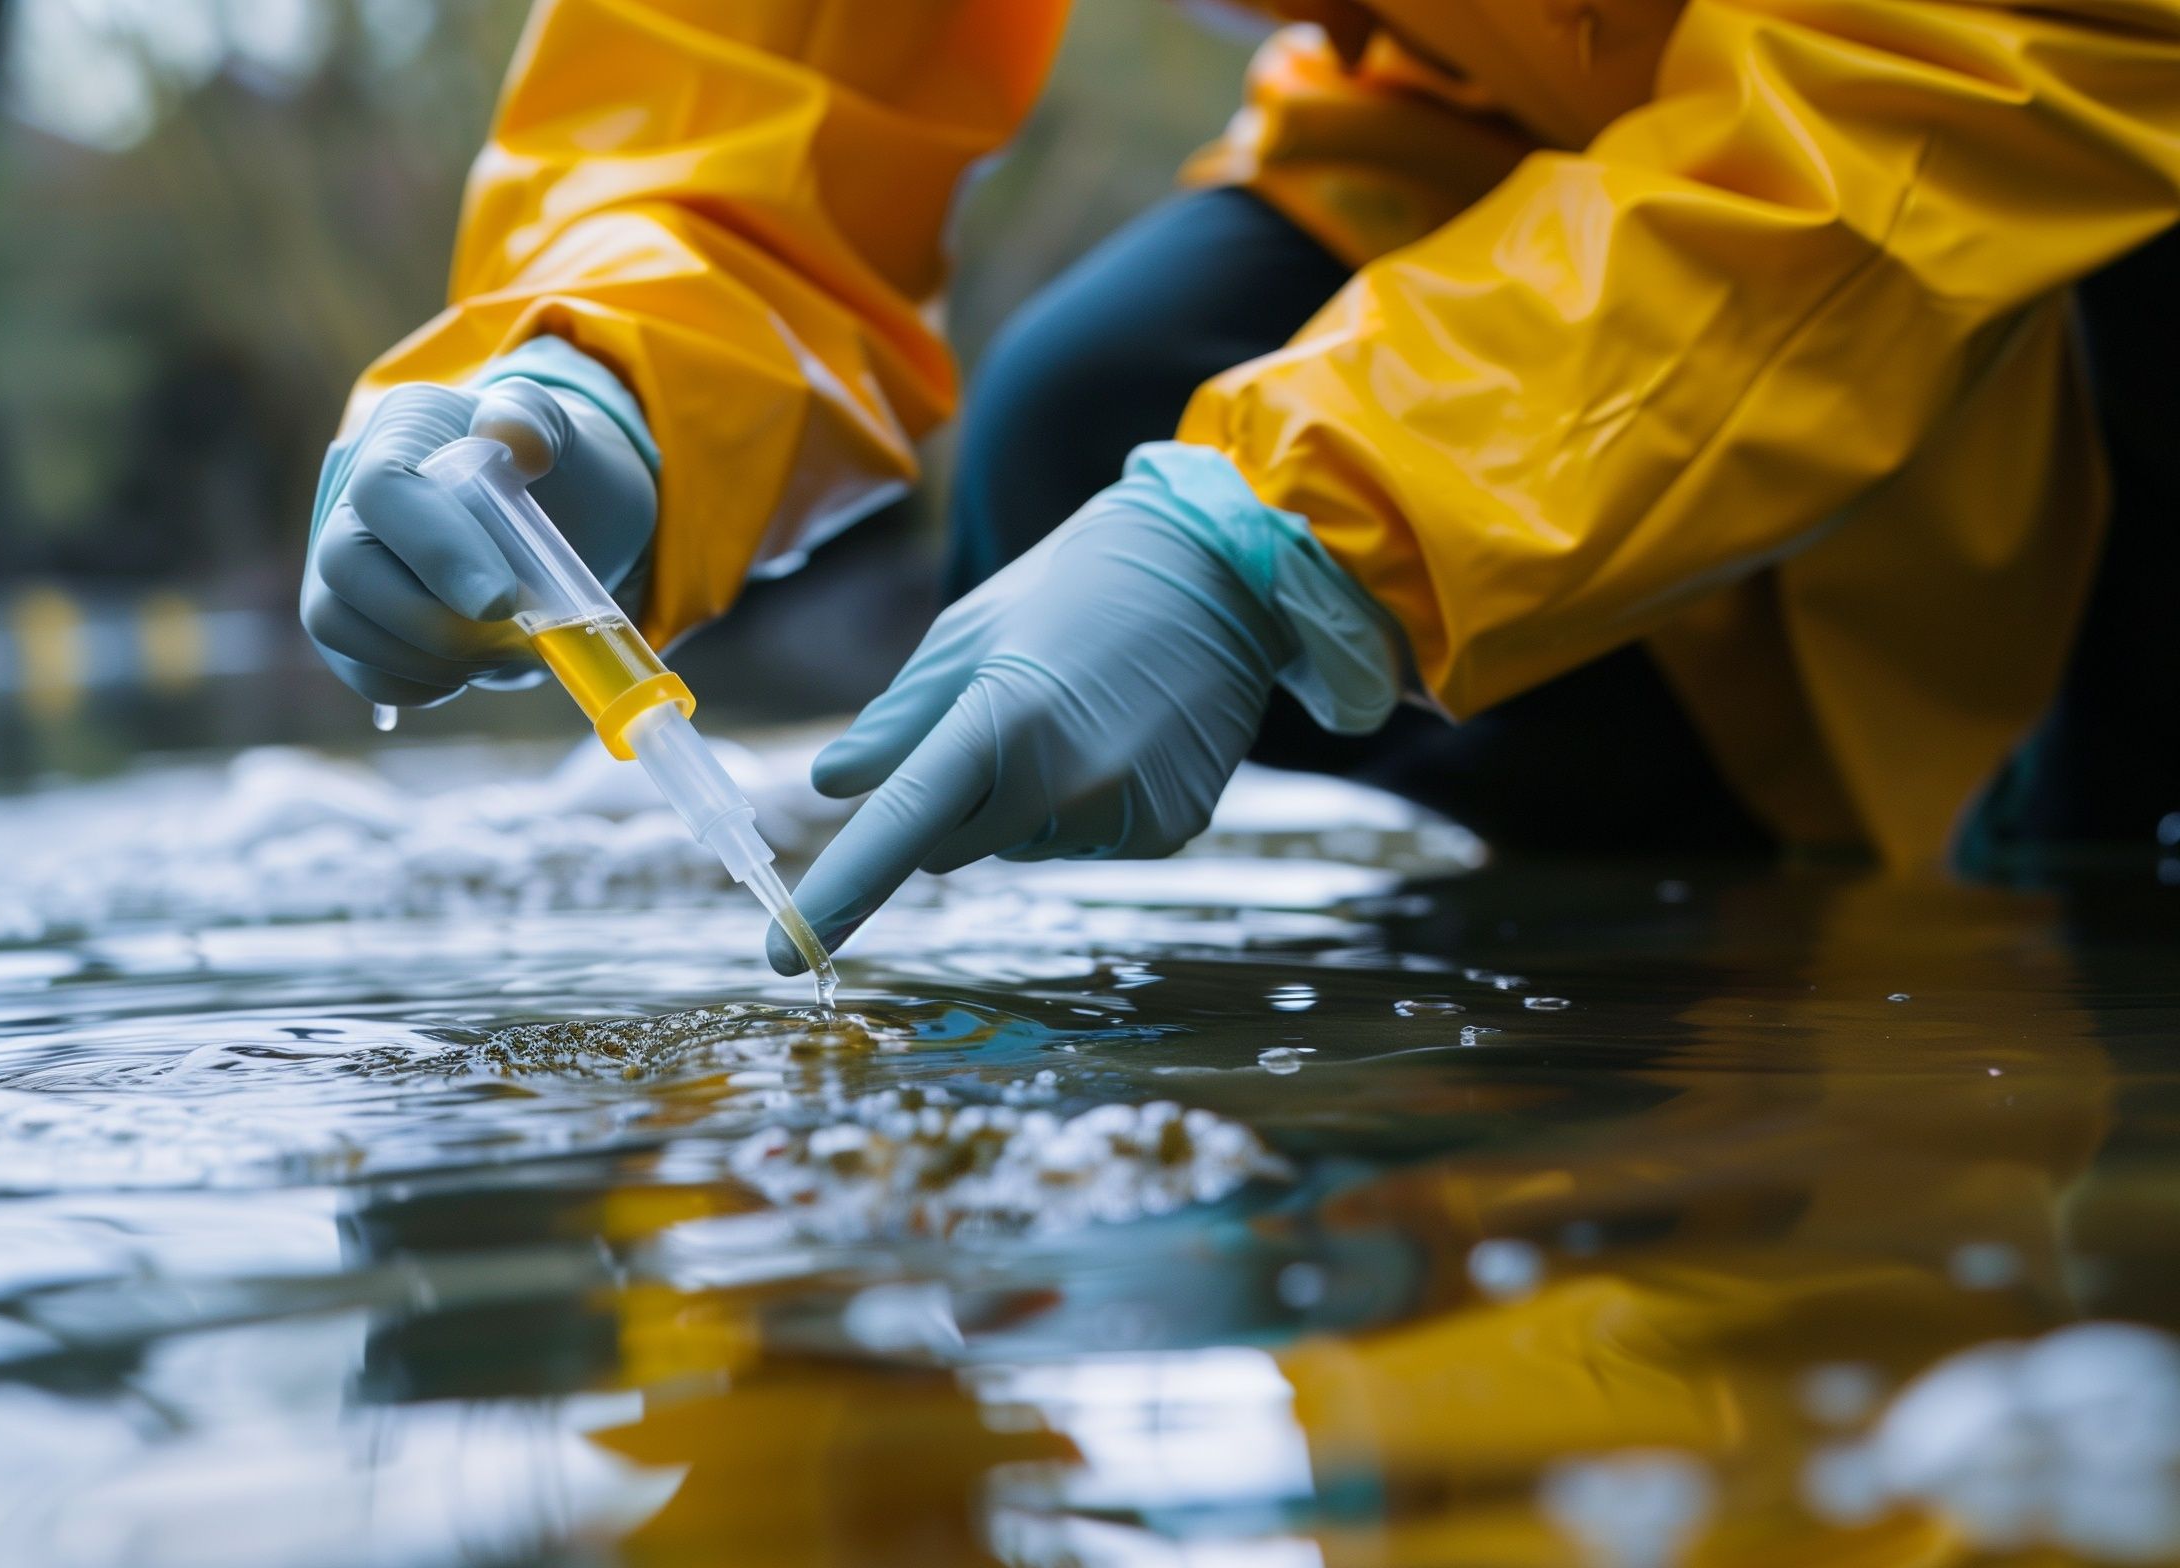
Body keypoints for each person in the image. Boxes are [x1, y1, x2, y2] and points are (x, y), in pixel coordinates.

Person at [300, 1, 2180, 974]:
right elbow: (746, 65)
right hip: (1519, 133)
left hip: (2063, 138)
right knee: (1094, 410)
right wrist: (601, 367)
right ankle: (1612, 1064)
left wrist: (1306, 530)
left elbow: (1989, 66)